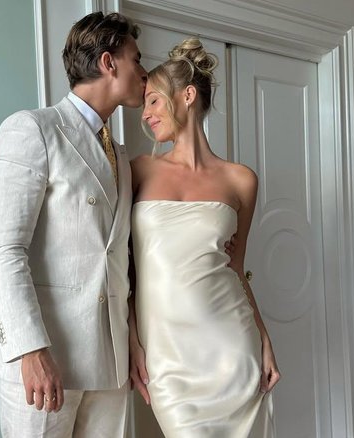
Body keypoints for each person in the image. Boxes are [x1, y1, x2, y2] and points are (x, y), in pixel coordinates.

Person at [0, 11, 147, 438]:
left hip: (109, 364)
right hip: (43, 359)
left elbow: (117, 257)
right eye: (136, 59)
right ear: (109, 63)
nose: (144, 72)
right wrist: (30, 349)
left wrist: (130, 343)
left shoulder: (120, 155)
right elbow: (3, 249)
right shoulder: (33, 130)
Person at [128, 37, 280, 437]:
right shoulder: (138, 171)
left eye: (153, 101)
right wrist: (131, 339)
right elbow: (122, 268)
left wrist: (264, 339)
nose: (146, 114)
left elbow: (237, 267)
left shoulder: (241, 180)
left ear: (187, 96)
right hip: (168, 359)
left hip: (233, 348)